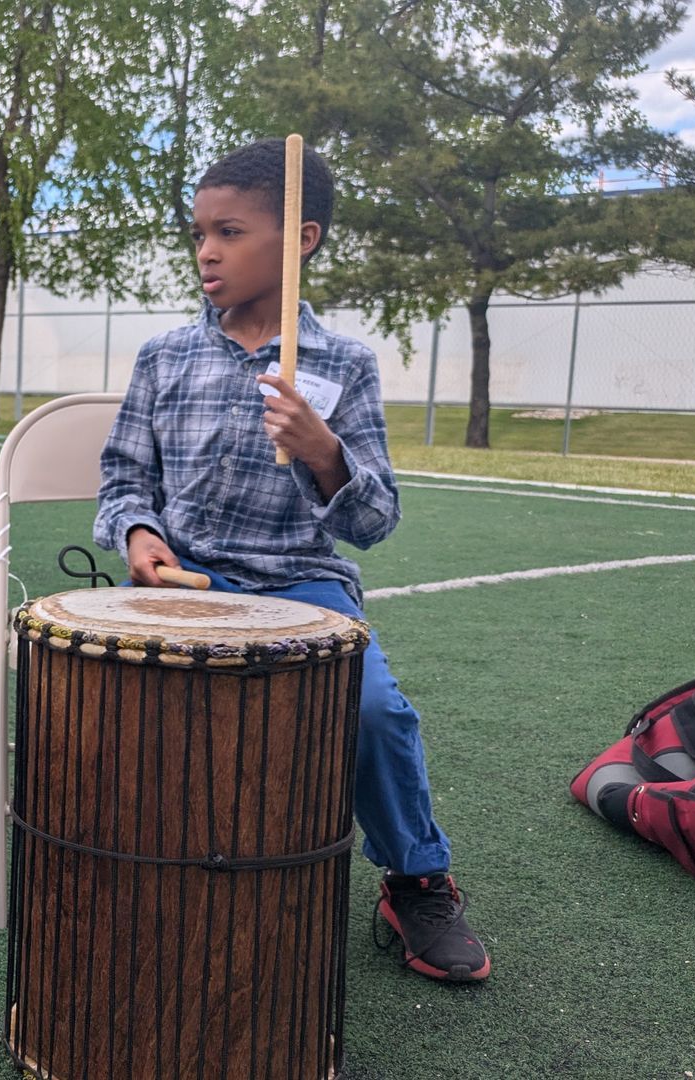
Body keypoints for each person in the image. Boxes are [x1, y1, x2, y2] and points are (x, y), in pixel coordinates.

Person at [93, 138, 491, 983]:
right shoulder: (166, 357)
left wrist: (324, 453)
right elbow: (126, 477)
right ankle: (125, 870)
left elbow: (377, 521)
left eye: (230, 232)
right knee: (116, 699)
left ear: (301, 240)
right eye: (199, 233)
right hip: (186, 581)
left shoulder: (343, 365)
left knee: (375, 712)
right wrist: (139, 536)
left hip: (303, 582)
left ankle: (416, 878)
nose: (206, 251)